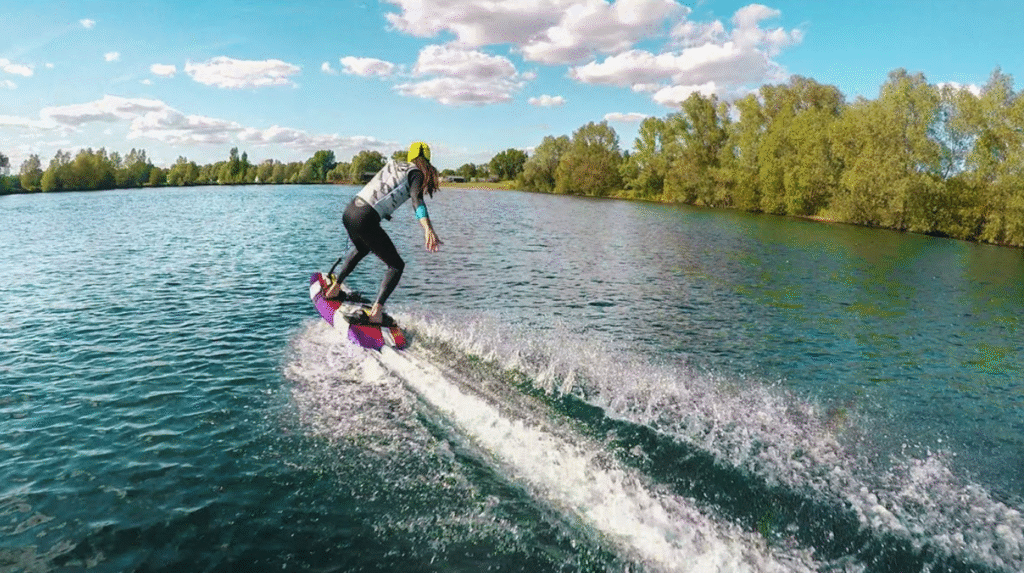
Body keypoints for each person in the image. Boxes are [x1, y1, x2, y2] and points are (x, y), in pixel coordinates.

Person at [324, 141, 442, 324]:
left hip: (350, 211)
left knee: (362, 248)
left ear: (410, 156)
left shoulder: (394, 165)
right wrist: (428, 228)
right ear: (428, 160)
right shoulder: (416, 173)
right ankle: (376, 313)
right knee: (396, 266)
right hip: (365, 218)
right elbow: (417, 200)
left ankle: (334, 288)